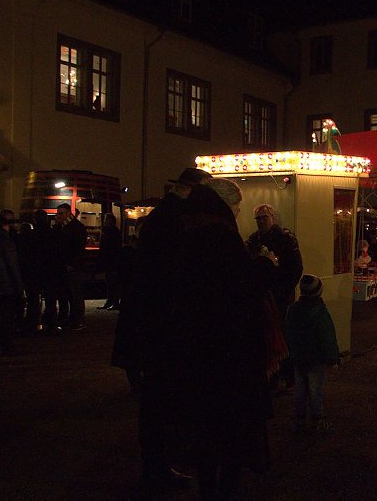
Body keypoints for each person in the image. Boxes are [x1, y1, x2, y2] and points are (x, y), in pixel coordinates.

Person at [169, 178, 276, 498]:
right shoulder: (219, 235)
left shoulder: (189, 230)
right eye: (239, 208)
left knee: (206, 432)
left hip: (196, 348)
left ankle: (208, 485)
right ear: (226, 205)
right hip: (227, 351)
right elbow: (238, 289)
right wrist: (265, 266)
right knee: (229, 431)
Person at [113, 167, 211, 491]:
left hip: (151, 321)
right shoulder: (175, 219)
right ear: (192, 190)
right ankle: (157, 469)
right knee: (160, 402)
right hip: (160, 325)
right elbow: (174, 273)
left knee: (157, 401)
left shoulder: (162, 216)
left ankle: (158, 466)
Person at [245, 203, 303, 391]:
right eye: (258, 218)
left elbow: (295, 268)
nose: (261, 221)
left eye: (264, 217)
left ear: (273, 217)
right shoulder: (253, 240)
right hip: (262, 295)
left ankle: (288, 377)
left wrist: (283, 290)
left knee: (283, 335)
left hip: (280, 296)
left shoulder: (285, 239)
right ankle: (272, 377)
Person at [285, 274, 341, 434]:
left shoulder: (293, 310)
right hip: (316, 360)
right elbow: (327, 338)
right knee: (316, 389)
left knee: (300, 389)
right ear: (319, 292)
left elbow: (288, 332)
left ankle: (299, 419)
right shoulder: (319, 313)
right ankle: (317, 420)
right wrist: (333, 358)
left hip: (299, 358)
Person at [0, 214, 24, 356]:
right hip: (4, 285)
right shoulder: (5, 240)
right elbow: (12, 265)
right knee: (5, 317)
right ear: (4, 225)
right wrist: (19, 287)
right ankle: (6, 346)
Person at [53, 203, 87, 331]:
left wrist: (72, 264)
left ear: (68, 213)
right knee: (66, 294)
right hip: (66, 266)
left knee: (74, 294)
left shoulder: (75, 228)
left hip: (72, 267)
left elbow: (78, 249)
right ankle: (69, 319)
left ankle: (77, 320)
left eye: (61, 213)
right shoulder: (67, 227)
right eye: (58, 214)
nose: (58, 216)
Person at [18, 210, 52, 334]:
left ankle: (32, 322)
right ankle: (50, 323)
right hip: (48, 270)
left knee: (33, 298)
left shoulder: (31, 235)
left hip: (34, 270)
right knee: (50, 298)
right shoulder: (51, 233)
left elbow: (26, 254)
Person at [98, 213, 123, 310]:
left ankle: (113, 302)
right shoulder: (113, 231)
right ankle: (111, 301)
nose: (104, 221)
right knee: (110, 282)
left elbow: (109, 247)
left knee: (112, 283)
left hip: (111, 261)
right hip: (110, 260)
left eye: (105, 220)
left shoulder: (111, 232)